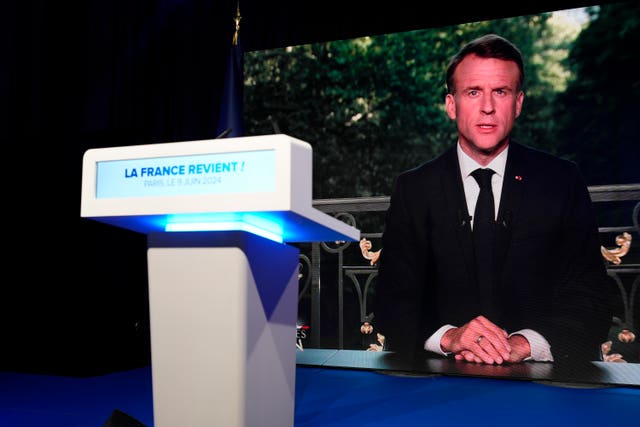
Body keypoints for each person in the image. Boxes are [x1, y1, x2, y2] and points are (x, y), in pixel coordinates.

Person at [373, 34, 611, 365]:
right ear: (451, 105)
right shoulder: (413, 188)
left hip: (541, 388)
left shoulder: (562, 181)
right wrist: (451, 337)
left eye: (500, 91)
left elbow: (592, 300)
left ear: (518, 103)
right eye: (473, 92)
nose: (487, 107)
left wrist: (523, 344)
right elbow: (390, 302)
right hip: (439, 386)